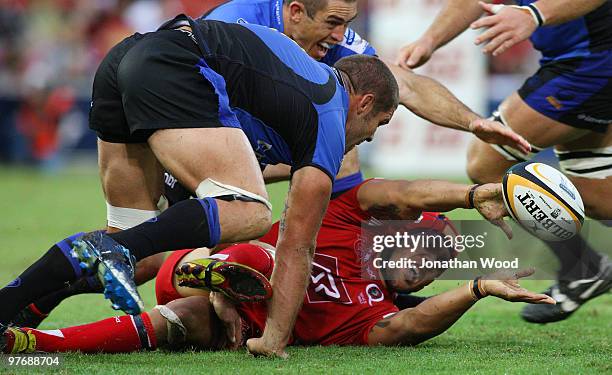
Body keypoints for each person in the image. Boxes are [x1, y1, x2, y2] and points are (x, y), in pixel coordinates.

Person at [0, 15, 399, 358]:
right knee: (252, 211)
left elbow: (214, 187)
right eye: (377, 125)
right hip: (176, 66)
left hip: (127, 59)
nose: (367, 139)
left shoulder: (285, 96)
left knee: (133, 243)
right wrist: (273, 338)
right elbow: (298, 243)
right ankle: (114, 250)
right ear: (362, 103)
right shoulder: (328, 119)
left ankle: (13, 308)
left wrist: (221, 293)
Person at [3, 150, 554, 354]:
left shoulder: (376, 310)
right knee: (253, 264)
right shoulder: (349, 213)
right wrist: (473, 194)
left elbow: (406, 331)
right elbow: (403, 193)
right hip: (215, 262)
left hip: (220, 313)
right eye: (429, 252)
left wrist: (477, 287)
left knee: (187, 321)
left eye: (439, 269)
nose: (429, 269)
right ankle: (211, 273)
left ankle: (29, 341)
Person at [395, 0, 612, 324]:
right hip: (576, 61)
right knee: (600, 196)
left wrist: (533, 14)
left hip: (593, 62)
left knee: (486, 164)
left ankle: (584, 267)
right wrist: (430, 40)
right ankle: (584, 268)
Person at [202, 0, 532, 153]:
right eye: (332, 22)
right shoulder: (237, 25)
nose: (340, 35)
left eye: (348, 22)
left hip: (250, 150)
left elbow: (403, 84)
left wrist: (473, 123)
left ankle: (339, 257)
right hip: (194, 131)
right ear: (296, 11)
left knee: (340, 150)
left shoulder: (335, 39)